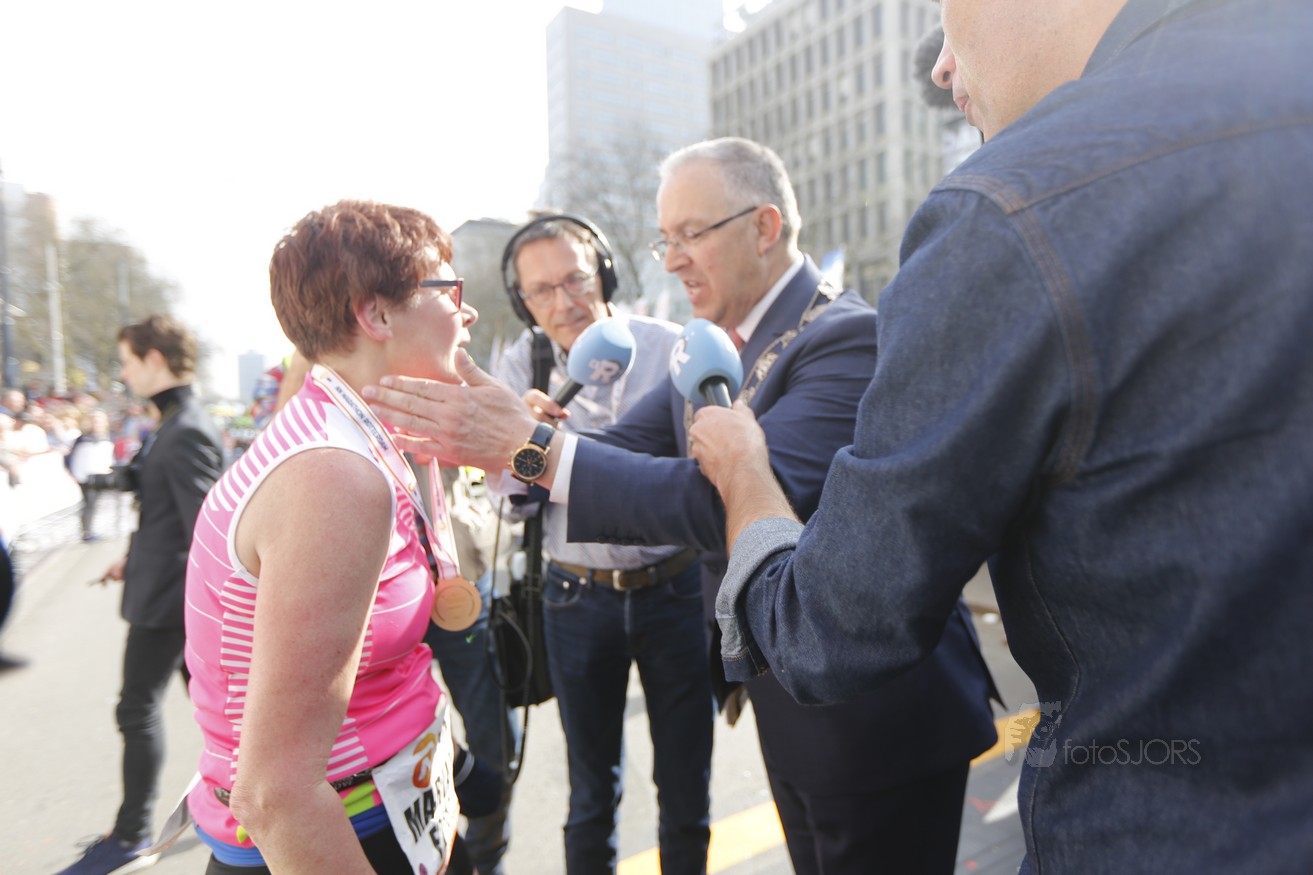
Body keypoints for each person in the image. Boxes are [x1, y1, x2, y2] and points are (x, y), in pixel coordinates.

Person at [684, 1, 1313, 872]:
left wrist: (744, 474)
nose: (941, 66)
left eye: (946, 14)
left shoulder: (1011, 205)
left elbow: (831, 627)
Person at [364, 139, 999, 875]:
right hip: (792, 704)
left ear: (763, 227)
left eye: (689, 235)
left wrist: (528, 447)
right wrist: (516, 435)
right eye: (663, 240)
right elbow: (618, 449)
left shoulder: (843, 339)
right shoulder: (711, 344)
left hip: (877, 721)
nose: (670, 261)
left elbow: (725, 503)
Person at [182, 199, 496, 874]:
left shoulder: (345, 434)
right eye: (448, 290)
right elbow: (276, 795)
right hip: (347, 836)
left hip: (393, 804)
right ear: (375, 314)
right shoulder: (334, 477)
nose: (467, 311)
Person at [494, 214, 713, 874]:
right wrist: (526, 444)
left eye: (575, 279)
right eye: (541, 291)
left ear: (604, 274)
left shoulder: (671, 347)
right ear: (523, 301)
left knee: (686, 790)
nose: (563, 302)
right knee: (591, 793)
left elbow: (706, 475)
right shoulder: (521, 364)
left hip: (676, 590)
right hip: (574, 598)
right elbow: (510, 502)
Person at [57, 315, 224, 874]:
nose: (124, 373)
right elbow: (171, 514)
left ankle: (131, 835)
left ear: (155, 359)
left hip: (169, 602)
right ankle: (248, 804)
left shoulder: (186, 428)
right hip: (166, 591)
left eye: (128, 361)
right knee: (224, 715)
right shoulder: (176, 421)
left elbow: (208, 531)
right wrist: (134, 559)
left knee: (137, 708)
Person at [65, 409, 116, 542]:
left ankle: (93, 529)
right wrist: (74, 473)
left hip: (102, 475)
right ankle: (87, 531)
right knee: (89, 503)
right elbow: (72, 457)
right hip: (86, 476)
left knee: (98, 503)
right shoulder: (82, 439)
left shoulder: (109, 436)